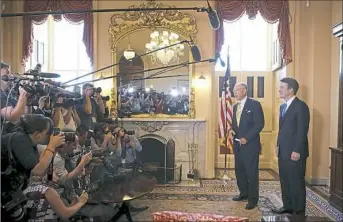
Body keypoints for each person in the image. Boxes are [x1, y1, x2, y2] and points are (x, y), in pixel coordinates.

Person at [272, 77, 310, 216]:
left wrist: (297, 150)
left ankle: (299, 211)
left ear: (291, 90)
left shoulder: (301, 106)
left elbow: (302, 130)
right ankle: (287, 205)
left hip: (295, 152)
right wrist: (278, 146)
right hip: (283, 151)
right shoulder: (283, 106)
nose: (279, 89)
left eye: (282, 87)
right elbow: (282, 130)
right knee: (285, 180)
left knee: (296, 181)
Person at [230, 82, 264, 210]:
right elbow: (235, 125)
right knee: (240, 171)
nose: (235, 93)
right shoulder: (235, 107)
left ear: (244, 90)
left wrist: (247, 138)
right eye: (234, 90)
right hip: (237, 145)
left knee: (251, 173)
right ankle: (243, 193)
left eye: (237, 90)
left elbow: (259, 124)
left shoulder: (254, 105)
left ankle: (253, 199)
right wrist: (231, 130)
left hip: (250, 145)